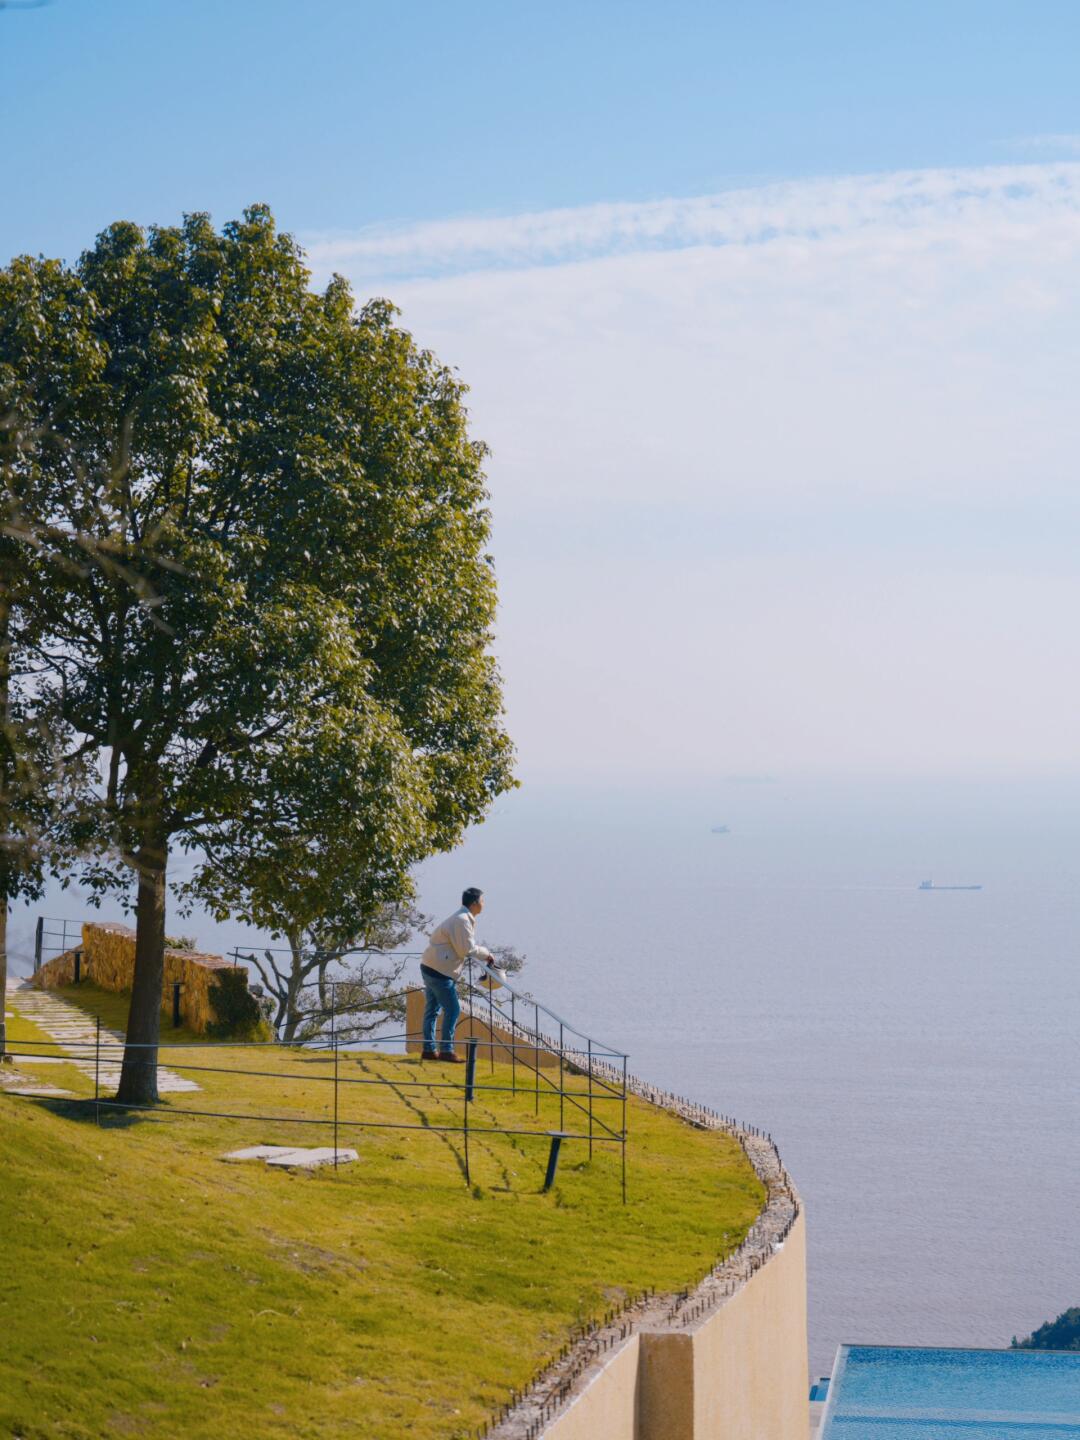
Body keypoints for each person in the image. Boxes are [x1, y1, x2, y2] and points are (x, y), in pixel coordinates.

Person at [418, 887, 492, 1063]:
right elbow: (466, 949)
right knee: (453, 1009)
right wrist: (486, 953)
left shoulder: (462, 918)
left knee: (432, 1009)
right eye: (482, 900)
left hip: (429, 965)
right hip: (439, 971)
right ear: (474, 903)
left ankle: (429, 1049)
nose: (484, 904)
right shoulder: (462, 920)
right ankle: (446, 1050)